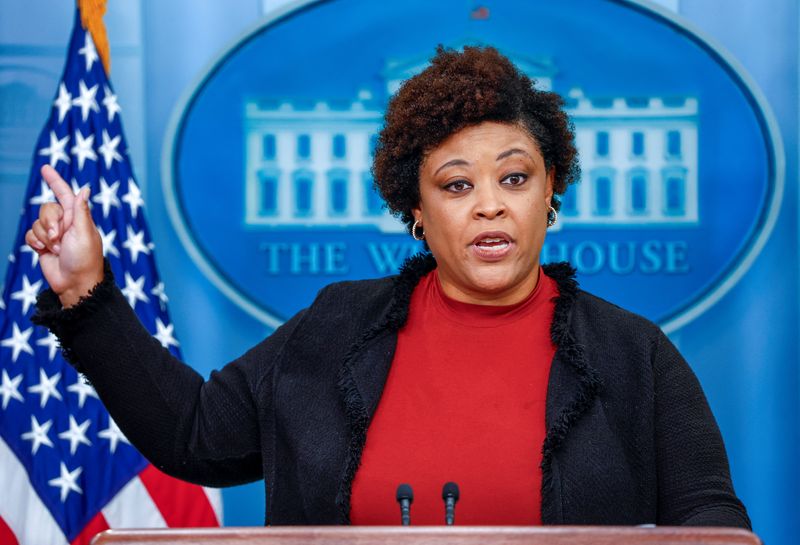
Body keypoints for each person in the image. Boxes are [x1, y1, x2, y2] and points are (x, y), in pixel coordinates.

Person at [27, 46, 750, 527]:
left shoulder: (633, 353)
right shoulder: (335, 327)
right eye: (457, 184)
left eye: (515, 177)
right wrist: (87, 294)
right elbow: (191, 434)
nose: (490, 204)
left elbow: (712, 527)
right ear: (417, 210)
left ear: (550, 190)